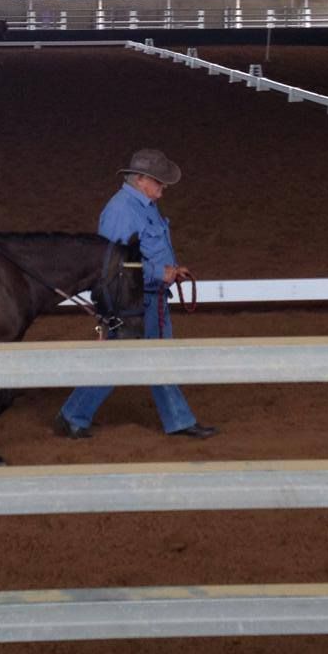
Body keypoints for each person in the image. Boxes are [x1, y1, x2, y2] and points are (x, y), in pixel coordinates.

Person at [55, 149, 218, 440]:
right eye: (159, 182)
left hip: (149, 300)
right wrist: (159, 273)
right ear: (141, 180)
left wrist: (168, 270)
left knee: (149, 358)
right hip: (133, 303)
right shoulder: (121, 210)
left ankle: (75, 415)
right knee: (126, 359)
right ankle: (73, 415)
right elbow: (111, 263)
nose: (163, 189)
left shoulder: (143, 204)